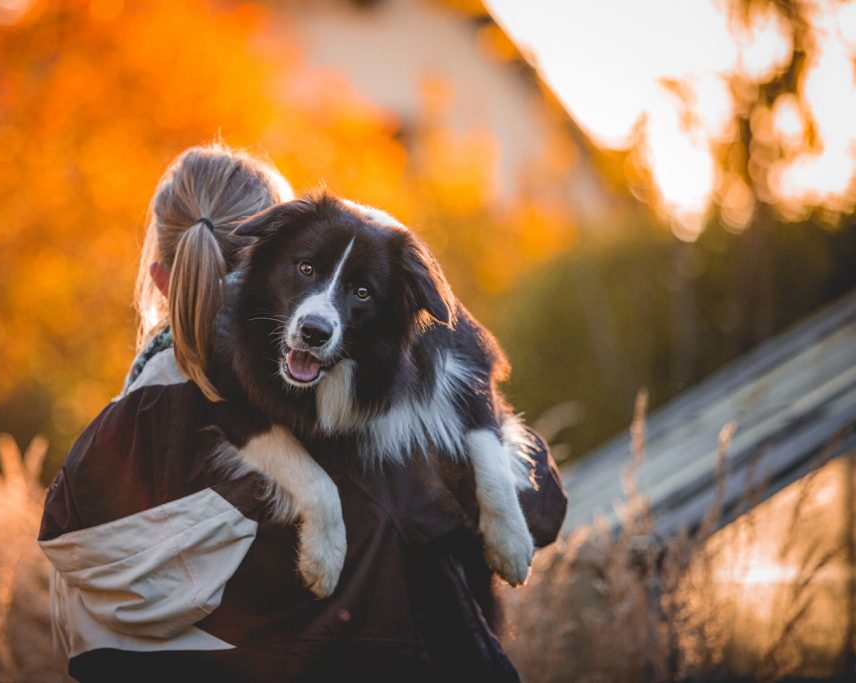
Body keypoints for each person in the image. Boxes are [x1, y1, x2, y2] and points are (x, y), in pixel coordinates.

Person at [38, 144, 567, 682]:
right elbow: (542, 514)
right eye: (309, 266)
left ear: (158, 278)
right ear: (270, 256)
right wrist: (444, 333)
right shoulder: (336, 423)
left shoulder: (106, 444)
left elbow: (93, 650)